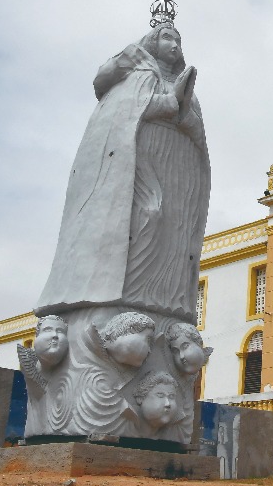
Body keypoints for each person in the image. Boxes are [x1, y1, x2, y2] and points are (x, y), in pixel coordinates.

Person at [35, 22, 210, 323]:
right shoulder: (138, 76)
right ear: (152, 43)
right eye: (168, 37)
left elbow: (196, 128)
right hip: (135, 157)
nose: (175, 45)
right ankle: (125, 293)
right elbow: (125, 110)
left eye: (178, 40)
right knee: (148, 214)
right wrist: (169, 103)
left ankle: (155, 297)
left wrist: (182, 111)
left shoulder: (188, 89)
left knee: (171, 228)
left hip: (174, 163)